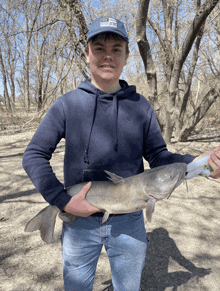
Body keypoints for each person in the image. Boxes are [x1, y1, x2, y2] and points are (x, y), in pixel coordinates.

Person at [22, 16, 220, 291]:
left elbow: (160, 156)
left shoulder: (140, 107)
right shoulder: (67, 105)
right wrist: (61, 201)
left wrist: (202, 164)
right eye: (99, 48)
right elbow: (33, 155)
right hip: (79, 223)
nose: (108, 56)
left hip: (129, 222)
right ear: (87, 54)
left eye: (116, 49)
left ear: (127, 56)